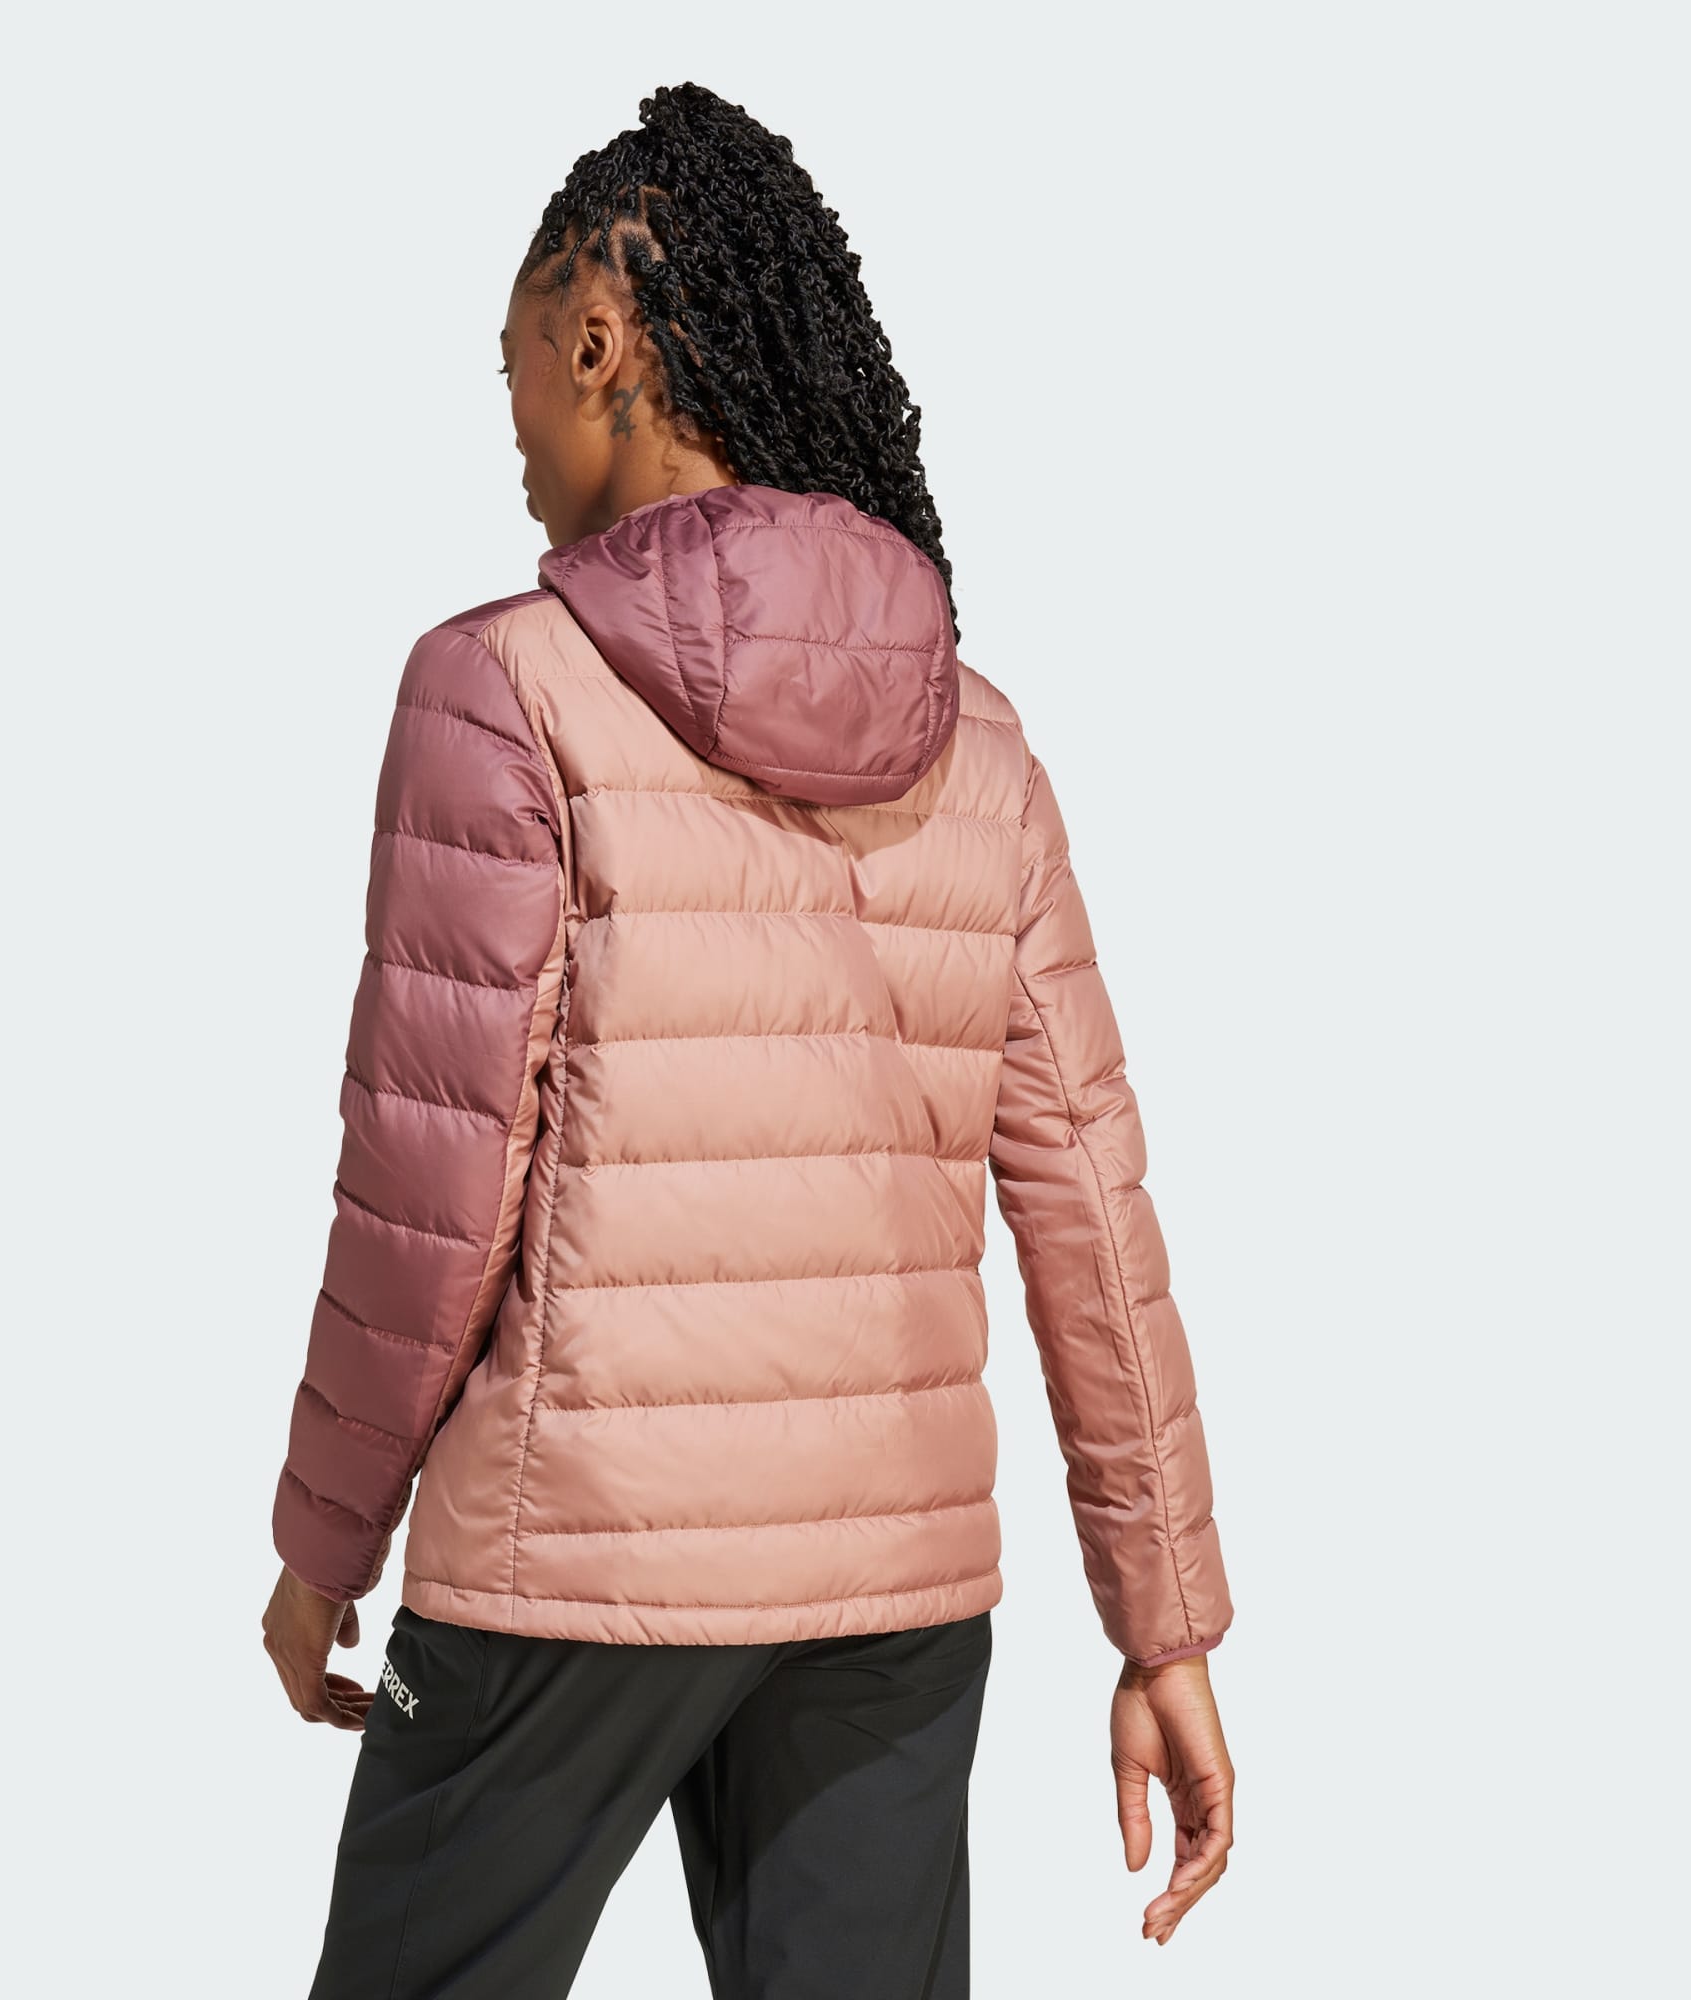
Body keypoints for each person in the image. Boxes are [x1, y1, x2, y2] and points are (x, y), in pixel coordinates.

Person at [261, 80, 1236, 2000]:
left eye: (516, 365)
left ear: (601, 341)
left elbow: (429, 1199)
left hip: (572, 1560)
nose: (513, 430)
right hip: (891, 1598)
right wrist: (1167, 1625)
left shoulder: (499, 688)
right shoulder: (978, 738)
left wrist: (325, 1548)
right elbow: (1094, 1215)